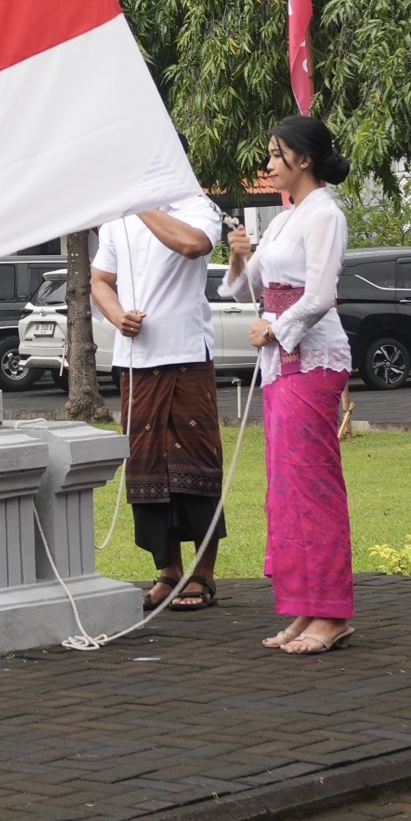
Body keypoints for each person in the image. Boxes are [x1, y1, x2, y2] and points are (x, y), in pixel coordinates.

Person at [226, 114, 357, 656]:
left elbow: (321, 294)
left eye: (278, 155)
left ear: (304, 159)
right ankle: (305, 607)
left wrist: (275, 328)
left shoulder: (324, 214)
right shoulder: (284, 219)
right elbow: (242, 290)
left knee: (314, 484)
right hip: (282, 363)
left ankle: (332, 613)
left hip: (313, 360)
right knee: (287, 488)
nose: (270, 164)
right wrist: (236, 253)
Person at [93, 192, 229, 610]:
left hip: (187, 354)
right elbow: (100, 280)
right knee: (147, 469)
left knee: (198, 465)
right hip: (136, 361)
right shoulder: (117, 218)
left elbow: (193, 245)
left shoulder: (197, 207)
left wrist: (139, 205)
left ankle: (202, 574)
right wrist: (117, 316)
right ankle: (168, 571)